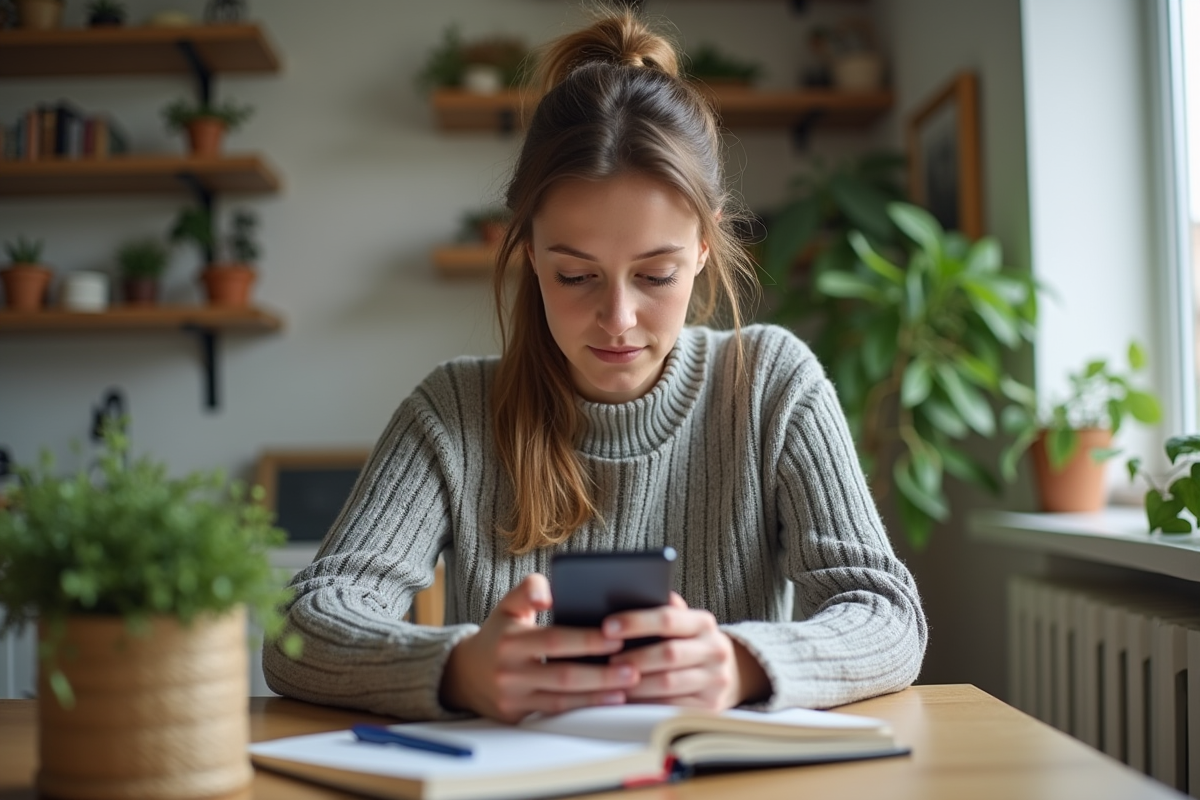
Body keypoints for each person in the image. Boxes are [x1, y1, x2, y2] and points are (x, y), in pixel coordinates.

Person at [263, 11, 926, 724]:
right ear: (529, 256)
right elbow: (302, 628)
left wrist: (739, 664)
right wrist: (456, 669)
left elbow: (887, 615)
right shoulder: (454, 409)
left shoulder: (771, 384)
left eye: (656, 274)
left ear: (703, 246)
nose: (618, 319)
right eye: (576, 277)